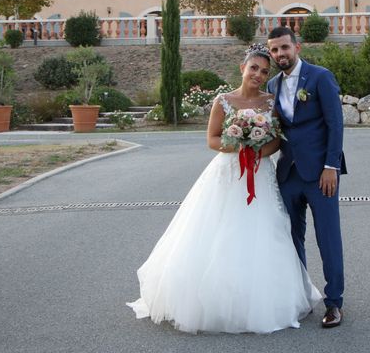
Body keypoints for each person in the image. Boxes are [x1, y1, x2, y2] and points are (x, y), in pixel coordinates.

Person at [126, 44, 321, 334]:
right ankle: (214, 301)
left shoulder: (271, 102)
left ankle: (263, 299)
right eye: (253, 68)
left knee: (263, 231)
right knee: (219, 230)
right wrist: (240, 144)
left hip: (261, 174)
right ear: (243, 68)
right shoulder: (224, 101)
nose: (258, 74)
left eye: (264, 71)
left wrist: (257, 151)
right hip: (227, 173)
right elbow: (212, 140)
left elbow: (277, 140)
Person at [266, 27, 347, 328]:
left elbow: (335, 124)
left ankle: (334, 303)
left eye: (284, 47)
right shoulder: (272, 85)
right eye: (274, 50)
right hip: (287, 173)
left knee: (328, 238)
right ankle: (300, 296)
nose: (280, 54)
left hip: (320, 174)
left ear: (296, 47)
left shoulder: (320, 77)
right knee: (291, 238)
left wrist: (331, 166)